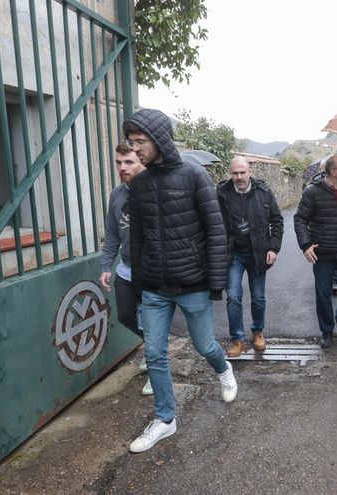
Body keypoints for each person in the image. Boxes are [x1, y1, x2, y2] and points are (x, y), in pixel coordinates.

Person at [124, 108, 237, 453]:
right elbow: (137, 237)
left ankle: (224, 369)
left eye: (140, 142)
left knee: (205, 346)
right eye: (131, 142)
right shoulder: (139, 184)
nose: (135, 149)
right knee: (154, 353)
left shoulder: (194, 175)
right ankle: (165, 419)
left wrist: (215, 283)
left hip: (192, 283)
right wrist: (139, 283)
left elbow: (216, 230)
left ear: (159, 139)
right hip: (155, 287)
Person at [294, 153, 337, 349]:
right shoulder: (312, 192)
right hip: (323, 252)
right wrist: (306, 245)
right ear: (333, 172)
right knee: (323, 293)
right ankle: (326, 330)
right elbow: (300, 219)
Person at [218, 156, 284, 357]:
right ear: (230, 173)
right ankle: (237, 339)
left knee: (258, 296)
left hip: (258, 253)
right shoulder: (222, 193)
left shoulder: (264, 192)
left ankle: (258, 332)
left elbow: (277, 221)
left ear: (250, 172)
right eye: (235, 173)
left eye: (242, 172)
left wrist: (273, 249)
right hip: (234, 254)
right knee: (233, 296)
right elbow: (214, 223)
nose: (239, 177)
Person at [99, 141, 151, 395]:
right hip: (127, 269)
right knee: (126, 316)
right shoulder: (117, 195)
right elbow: (112, 233)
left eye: (129, 162)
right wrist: (106, 265)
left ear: (142, 162)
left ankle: (156, 367)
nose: (122, 167)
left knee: (151, 322)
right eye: (119, 162)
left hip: (152, 271)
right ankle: (153, 345)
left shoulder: (154, 190)